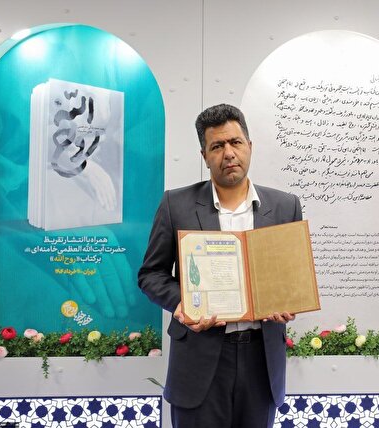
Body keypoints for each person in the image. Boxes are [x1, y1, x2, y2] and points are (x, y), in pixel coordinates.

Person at [138, 104, 301, 427]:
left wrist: (289, 301)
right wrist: (184, 304)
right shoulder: (175, 204)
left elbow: (292, 276)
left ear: (249, 146)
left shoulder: (285, 206)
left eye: (236, 142)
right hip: (198, 359)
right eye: (217, 146)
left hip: (261, 361)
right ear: (205, 155)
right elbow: (151, 275)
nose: (229, 153)